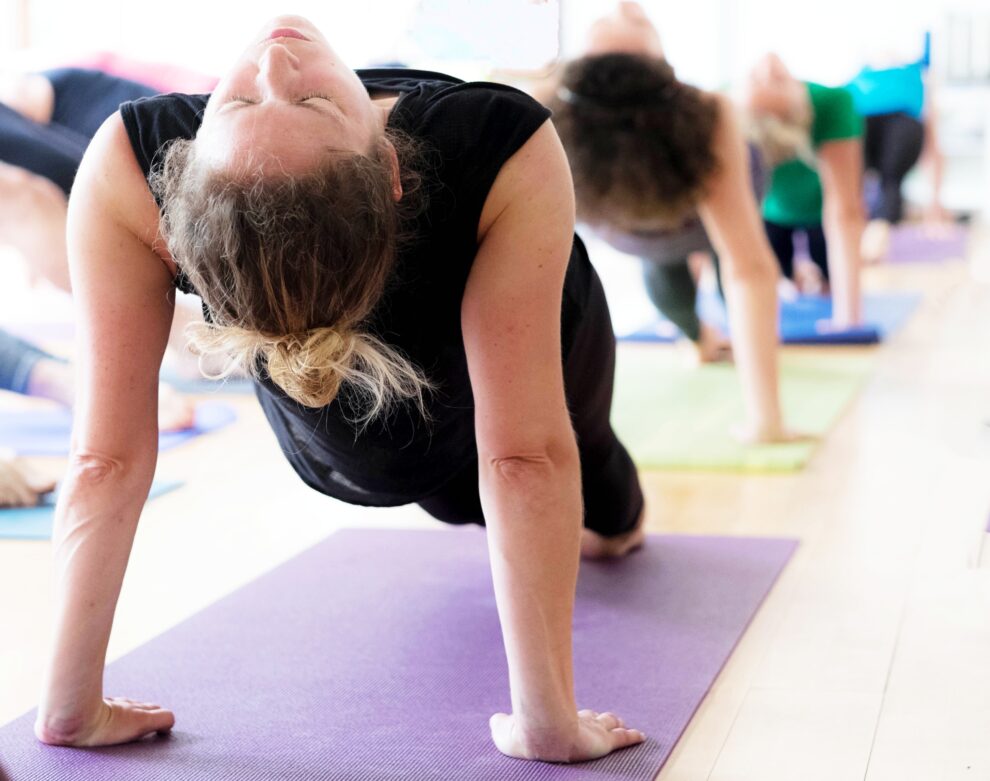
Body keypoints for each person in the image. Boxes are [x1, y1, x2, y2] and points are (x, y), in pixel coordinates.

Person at [34, 14, 647, 763]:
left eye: (241, 104)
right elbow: (525, 457)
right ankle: (597, 519)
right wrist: (548, 722)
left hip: (337, 447)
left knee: (486, 496)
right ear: (394, 171)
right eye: (311, 105)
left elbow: (103, 458)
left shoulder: (132, 159)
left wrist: (68, 705)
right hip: (417, 417)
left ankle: (498, 509)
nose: (273, 66)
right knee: (612, 525)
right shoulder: (491, 138)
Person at [548, 2, 789, 441]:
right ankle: (702, 337)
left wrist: (766, 420)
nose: (626, 7)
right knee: (686, 284)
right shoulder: (706, 110)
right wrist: (768, 422)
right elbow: (750, 268)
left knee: (702, 274)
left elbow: (747, 270)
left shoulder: (703, 115)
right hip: (652, 231)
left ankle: (703, 337)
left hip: (661, 225)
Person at [745, 53, 865, 326]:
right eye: (757, 78)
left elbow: (845, 212)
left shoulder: (831, 102)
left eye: (776, 79)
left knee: (828, 276)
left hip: (818, 212)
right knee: (778, 277)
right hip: (771, 214)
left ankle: (814, 274)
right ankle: (796, 274)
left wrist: (848, 319)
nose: (766, 66)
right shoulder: (727, 107)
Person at [845, 49, 949, 261]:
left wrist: (935, 200)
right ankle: (860, 241)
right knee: (857, 186)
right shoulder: (858, 78)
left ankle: (874, 241)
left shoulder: (916, 74)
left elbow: (933, 142)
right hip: (862, 121)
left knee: (889, 183)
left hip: (902, 121)